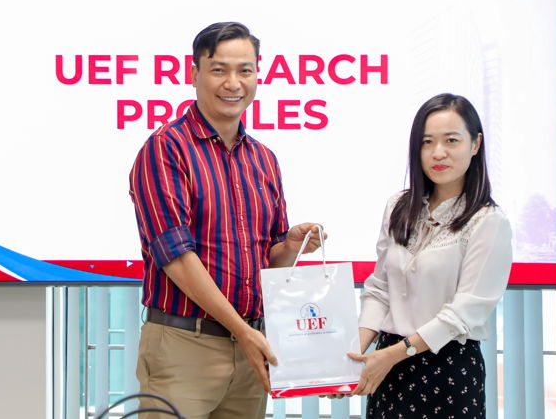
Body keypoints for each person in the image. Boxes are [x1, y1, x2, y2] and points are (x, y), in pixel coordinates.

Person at [129, 21, 323, 419]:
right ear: (194, 73)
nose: (233, 83)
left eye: (245, 70)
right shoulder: (165, 149)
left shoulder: (264, 160)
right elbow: (176, 258)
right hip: (185, 346)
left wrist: (290, 247)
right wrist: (243, 331)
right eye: (219, 70)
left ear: (257, 75)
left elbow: (269, 262)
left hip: (251, 349)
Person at [344, 93, 512, 418]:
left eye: (451, 140)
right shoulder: (398, 207)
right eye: (427, 142)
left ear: (475, 144)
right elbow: (380, 290)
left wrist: (394, 354)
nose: (438, 153)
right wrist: (353, 356)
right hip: (388, 366)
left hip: (447, 369)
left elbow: (463, 314)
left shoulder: (488, 222)